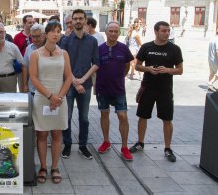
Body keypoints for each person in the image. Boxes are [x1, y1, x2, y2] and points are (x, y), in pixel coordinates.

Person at [130, 21, 183, 162]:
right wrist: (148, 69)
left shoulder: (175, 49)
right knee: (143, 116)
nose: (167, 33)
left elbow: (180, 70)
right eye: (164, 31)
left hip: (165, 90)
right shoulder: (147, 47)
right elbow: (137, 66)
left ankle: (167, 148)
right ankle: (140, 143)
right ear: (156, 31)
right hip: (147, 88)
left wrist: (167, 70)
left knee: (167, 119)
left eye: (168, 31)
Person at [29, 21, 73, 184]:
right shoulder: (36, 54)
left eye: (59, 31)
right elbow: (33, 78)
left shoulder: (64, 54)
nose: (56, 34)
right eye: (53, 31)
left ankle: (54, 167)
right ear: (45, 34)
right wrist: (50, 96)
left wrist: (59, 97)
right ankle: (43, 167)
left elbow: (68, 77)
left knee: (57, 134)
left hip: (60, 99)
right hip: (42, 98)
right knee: (41, 134)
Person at [60, 9, 100, 159]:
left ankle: (83, 146)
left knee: (84, 118)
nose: (77, 21)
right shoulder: (65, 40)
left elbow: (96, 63)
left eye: (80, 19)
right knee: (67, 116)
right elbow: (63, 63)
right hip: (68, 85)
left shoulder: (92, 41)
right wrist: (74, 81)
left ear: (85, 21)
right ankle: (67, 145)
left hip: (86, 84)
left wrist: (82, 80)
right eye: (75, 19)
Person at [96, 22, 134, 161]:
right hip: (102, 88)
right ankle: (106, 141)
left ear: (119, 33)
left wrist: (119, 78)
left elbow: (127, 66)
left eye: (116, 31)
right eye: (110, 31)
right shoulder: (99, 49)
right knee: (104, 114)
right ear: (106, 32)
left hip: (119, 89)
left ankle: (124, 147)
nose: (113, 33)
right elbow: (95, 67)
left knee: (122, 116)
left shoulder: (124, 49)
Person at [21, 23, 46, 94]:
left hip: (47, 89)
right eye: (33, 36)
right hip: (32, 89)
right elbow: (25, 67)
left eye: (38, 36)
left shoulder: (51, 48)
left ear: (44, 35)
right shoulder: (29, 48)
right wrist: (25, 85)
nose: (35, 39)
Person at [207, 28, 218, 92]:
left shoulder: (212, 39)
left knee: (212, 73)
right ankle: (210, 83)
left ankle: (209, 86)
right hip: (215, 60)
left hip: (210, 59)